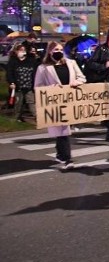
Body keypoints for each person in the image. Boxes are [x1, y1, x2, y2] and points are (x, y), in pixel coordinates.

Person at [34, 41, 87, 170]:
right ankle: (67, 159)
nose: (59, 51)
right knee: (63, 131)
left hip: (69, 101)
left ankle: (60, 154)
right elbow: (38, 86)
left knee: (63, 130)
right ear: (50, 51)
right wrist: (52, 88)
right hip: (55, 103)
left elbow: (82, 77)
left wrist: (76, 82)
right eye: (56, 49)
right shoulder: (43, 68)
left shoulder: (71, 63)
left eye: (61, 49)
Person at [6, 42, 40, 122]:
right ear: (16, 51)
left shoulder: (31, 61)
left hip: (29, 87)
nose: (22, 52)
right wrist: (11, 82)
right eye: (20, 50)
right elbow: (9, 73)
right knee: (18, 103)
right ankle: (16, 118)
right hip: (18, 87)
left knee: (31, 102)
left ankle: (38, 118)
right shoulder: (13, 61)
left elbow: (36, 70)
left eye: (24, 50)